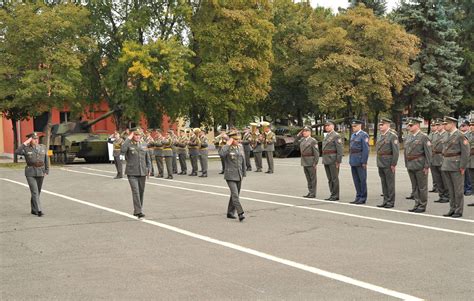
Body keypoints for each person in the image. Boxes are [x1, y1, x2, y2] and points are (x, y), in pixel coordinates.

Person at [15, 132, 49, 217]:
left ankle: (34, 210)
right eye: (33, 139)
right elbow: (17, 151)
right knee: (35, 192)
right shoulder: (26, 148)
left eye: (36, 138)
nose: (36, 140)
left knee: (38, 191)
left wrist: (46, 170)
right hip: (30, 172)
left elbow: (46, 159)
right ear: (30, 140)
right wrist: (25, 143)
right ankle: (39, 210)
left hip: (41, 171)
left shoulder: (43, 147)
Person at [441, 117, 470, 218]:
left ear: (452, 124)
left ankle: (458, 210)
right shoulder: (446, 135)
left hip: (456, 165)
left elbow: (466, 153)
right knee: (451, 189)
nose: (444, 126)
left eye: (446, 124)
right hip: (447, 165)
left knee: (458, 190)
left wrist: (462, 166)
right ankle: (452, 208)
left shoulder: (460, 135)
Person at [121, 127, 152, 218]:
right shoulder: (128, 144)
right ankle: (138, 211)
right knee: (136, 192)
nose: (138, 136)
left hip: (142, 171)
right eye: (136, 134)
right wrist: (128, 138)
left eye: (139, 135)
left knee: (141, 192)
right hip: (132, 172)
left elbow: (148, 158)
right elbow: (122, 150)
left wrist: (149, 169)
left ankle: (138, 210)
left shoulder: (144, 144)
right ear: (132, 135)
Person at [404, 117, 432, 213]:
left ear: (417, 125)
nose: (409, 127)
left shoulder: (424, 137)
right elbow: (405, 152)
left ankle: (422, 205)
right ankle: (417, 203)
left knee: (422, 186)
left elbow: (428, 153)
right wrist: (406, 164)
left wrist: (427, 166)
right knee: (414, 186)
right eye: (409, 125)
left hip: (420, 165)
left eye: (411, 125)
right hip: (411, 164)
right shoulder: (408, 136)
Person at [219, 130, 247, 222]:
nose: (238, 141)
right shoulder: (226, 148)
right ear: (231, 139)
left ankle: (230, 212)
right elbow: (222, 154)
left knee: (235, 195)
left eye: (238, 139)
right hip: (230, 175)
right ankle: (240, 213)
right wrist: (227, 144)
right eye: (236, 139)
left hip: (239, 174)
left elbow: (243, 160)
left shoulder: (240, 147)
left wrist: (243, 172)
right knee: (235, 195)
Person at [375, 118, 399, 208]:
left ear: (388, 125)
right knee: (383, 182)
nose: (380, 126)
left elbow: (395, 152)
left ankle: (390, 201)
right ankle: (385, 200)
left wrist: (393, 164)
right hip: (380, 162)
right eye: (380, 125)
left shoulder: (392, 136)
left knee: (390, 183)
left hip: (388, 162)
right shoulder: (380, 135)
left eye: (382, 125)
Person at [321, 120, 343, 201]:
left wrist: (338, 161)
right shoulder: (327, 136)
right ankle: (332, 193)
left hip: (333, 160)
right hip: (326, 159)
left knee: (334, 178)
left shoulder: (336, 135)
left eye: (328, 125)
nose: (326, 127)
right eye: (325, 126)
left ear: (333, 126)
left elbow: (339, 150)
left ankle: (335, 195)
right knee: (329, 178)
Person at [349, 120, 370, 204]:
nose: (353, 127)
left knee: (362, 179)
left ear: (359, 126)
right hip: (353, 160)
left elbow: (366, 149)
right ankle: (358, 196)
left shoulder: (363, 135)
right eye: (353, 126)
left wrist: (364, 161)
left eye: (355, 126)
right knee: (356, 180)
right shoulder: (353, 135)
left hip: (360, 160)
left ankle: (363, 197)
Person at [295, 126, 319, 198]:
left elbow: (316, 153)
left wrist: (315, 163)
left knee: (313, 178)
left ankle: (313, 193)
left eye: (306, 131)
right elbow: (295, 143)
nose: (304, 132)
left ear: (309, 132)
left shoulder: (313, 141)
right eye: (303, 131)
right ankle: (310, 191)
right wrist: (298, 135)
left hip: (311, 161)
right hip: (304, 161)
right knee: (308, 178)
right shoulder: (302, 140)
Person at [431, 119, 450, 203]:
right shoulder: (434, 135)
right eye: (436, 125)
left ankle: (447, 196)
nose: (437, 127)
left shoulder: (447, 134)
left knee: (444, 179)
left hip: (442, 158)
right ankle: (441, 195)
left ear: (443, 125)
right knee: (437, 179)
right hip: (434, 158)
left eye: (439, 125)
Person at [460, 120, 472, 196]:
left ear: (467, 126)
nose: (462, 127)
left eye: (463, 125)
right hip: (462, 156)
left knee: (468, 175)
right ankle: (464, 188)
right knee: (463, 174)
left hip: (470, 157)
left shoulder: (470, 134)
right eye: (461, 125)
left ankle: (468, 189)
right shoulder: (461, 135)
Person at [467, 120, 474, 206]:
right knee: (472, 182)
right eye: (471, 125)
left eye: (473, 125)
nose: (471, 127)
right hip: (470, 162)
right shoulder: (469, 135)